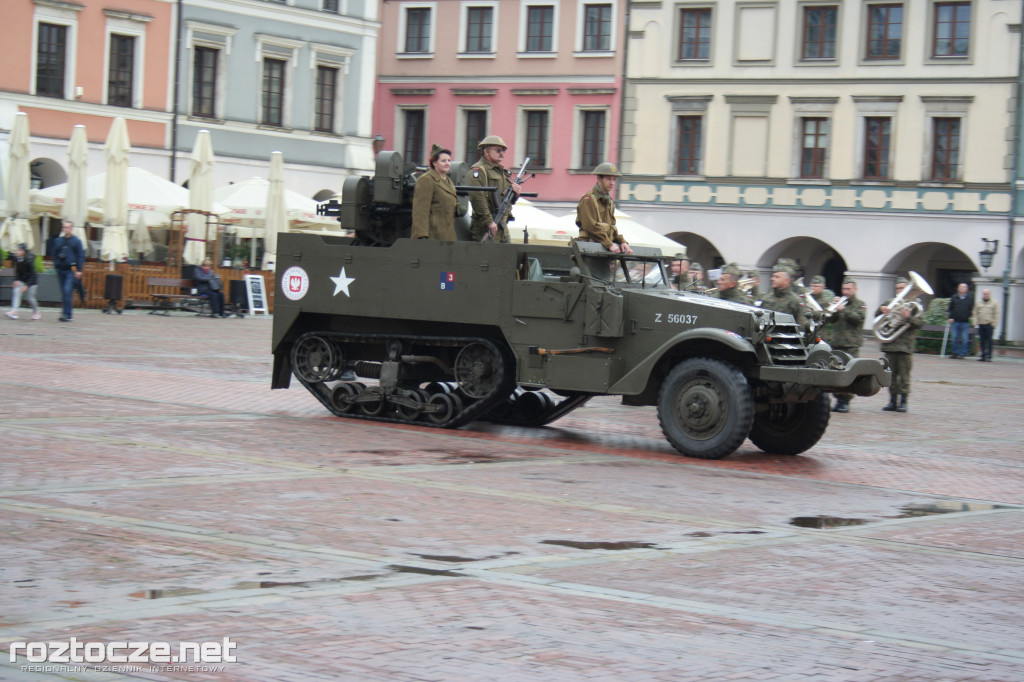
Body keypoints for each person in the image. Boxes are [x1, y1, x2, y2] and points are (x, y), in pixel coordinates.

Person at [877, 276, 924, 413]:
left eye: (903, 288)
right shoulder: (890, 302)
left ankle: (903, 402)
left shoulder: (914, 305)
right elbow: (877, 317)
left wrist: (908, 317)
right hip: (890, 345)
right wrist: (882, 310)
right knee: (890, 375)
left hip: (905, 346)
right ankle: (892, 401)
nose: (900, 291)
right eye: (898, 288)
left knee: (904, 376)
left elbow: (920, 324)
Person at [465, 135, 521, 243]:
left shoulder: (502, 173)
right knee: (486, 259)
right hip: (485, 227)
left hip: (502, 227)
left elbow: (506, 200)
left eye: (503, 151)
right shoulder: (478, 171)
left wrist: (516, 194)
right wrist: (489, 222)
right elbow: (477, 198)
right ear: (486, 152)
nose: (502, 153)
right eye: (498, 150)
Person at [823, 277, 867, 413]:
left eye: (848, 289)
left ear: (855, 289)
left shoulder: (860, 304)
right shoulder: (841, 303)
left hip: (850, 345)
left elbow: (858, 319)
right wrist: (833, 308)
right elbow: (830, 319)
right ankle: (838, 399)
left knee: (848, 373)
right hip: (836, 343)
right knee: (835, 373)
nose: (845, 292)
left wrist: (844, 310)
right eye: (844, 289)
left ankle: (846, 401)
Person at [576, 162, 633, 254]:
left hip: (602, 251)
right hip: (588, 251)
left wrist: (622, 241)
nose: (612, 183)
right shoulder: (589, 199)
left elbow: (611, 228)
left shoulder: (609, 201)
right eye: (608, 179)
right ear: (599, 178)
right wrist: (609, 244)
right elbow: (590, 226)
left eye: (614, 179)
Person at [412, 144, 463, 241]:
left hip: (448, 235)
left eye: (449, 160)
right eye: (443, 161)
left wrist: (457, 206)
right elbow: (420, 210)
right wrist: (421, 235)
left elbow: (446, 200)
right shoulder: (426, 180)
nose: (447, 163)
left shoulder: (448, 180)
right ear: (434, 163)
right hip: (433, 235)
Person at [52, 220, 85, 322]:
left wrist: (79, 270)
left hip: (71, 270)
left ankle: (66, 314)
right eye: (64, 227)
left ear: (71, 229)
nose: (65, 229)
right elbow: (54, 253)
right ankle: (67, 314)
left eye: (67, 227)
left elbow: (80, 256)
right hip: (61, 269)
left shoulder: (76, 241)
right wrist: (56, 264)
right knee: (64, 292)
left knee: (67, 290)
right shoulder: (58, 241)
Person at [5, 243, 41, 320]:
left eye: (19, 250)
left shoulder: (29, 260)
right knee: (16, 290)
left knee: (30, 298)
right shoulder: (17, 259)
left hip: (31, 282)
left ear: (24, 251)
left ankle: (36, 311)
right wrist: (16, 280)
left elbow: (33, 275)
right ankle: (14, 311)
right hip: (22, 279)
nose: (17, 252)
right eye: (17, 250)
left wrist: (27, 286)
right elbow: (17, 271)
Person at [947, 282, 973, 359]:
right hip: (955, 321)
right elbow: (950, 308)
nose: (962, 288)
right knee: (954, 337)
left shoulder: (970, 298)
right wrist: (950, 317)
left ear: (966, 289)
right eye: (961, 287)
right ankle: (955, 353)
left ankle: (963, 354)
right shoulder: (954, 297)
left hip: (965, 322)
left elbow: (971, 309)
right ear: (958, 288)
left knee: (965, 339)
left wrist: (969, 315)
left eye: (964, 287)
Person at [973, 288, 999, 362]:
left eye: (986, 294)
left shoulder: (994, 303)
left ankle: (989, 355)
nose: (985, 295)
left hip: (989, 324)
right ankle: (983, 355)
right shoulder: (979, 303)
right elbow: (975, 313)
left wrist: (994, 324)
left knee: (989, 341)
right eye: (984, 294)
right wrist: (975, 321)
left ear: (989, 294)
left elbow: (996, 314)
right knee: (982, 341)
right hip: (981, 324)